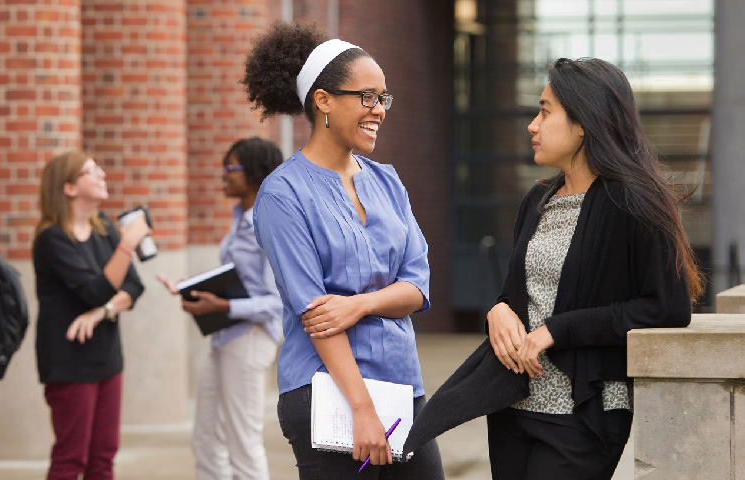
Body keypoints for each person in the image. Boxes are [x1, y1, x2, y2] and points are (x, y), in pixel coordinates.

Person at [407, 57, 700, 480]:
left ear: (583, 122)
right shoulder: (538, 199)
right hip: (512, 403)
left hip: (583, 411)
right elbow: (518, 293)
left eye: (544, 111)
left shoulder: (634, 203)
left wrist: (560, 330)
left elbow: (668, 309)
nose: (532, 124)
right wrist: (499, 310)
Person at [241, 22, 445, 478]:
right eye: (367, 96)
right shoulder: (282, 194)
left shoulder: (388, 181)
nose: (379, 110)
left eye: (383, 98)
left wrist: (358, 305)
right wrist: (362, 409)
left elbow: (417, 286)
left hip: (402, 387)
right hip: (327, 395)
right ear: (324, 100)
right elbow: (317, 315)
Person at [155, 137, 285, 480]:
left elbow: (277, 301)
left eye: (231, 168)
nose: (223, 175)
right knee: (206, 439)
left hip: (251, 340)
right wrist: (197, 288)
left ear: (256, 172)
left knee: (243, 442)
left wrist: (223, 305)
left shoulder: (267, 223)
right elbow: (239, 279)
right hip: (225, 338)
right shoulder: (240, 216)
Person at [32, 150, 148, 480]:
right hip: (69, 363)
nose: (103, 175)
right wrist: (127, 245)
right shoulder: (53, 239)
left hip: (107, 358)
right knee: (71, 459)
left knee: (103, 458)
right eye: (91, 171)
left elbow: (133, 288)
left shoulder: (104, 230)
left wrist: (102, 313)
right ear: (69, 188)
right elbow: (95, 289)